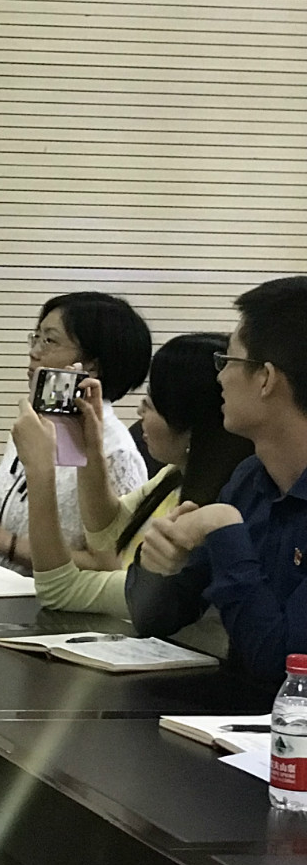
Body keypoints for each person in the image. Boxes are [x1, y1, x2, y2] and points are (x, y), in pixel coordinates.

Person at [128, 277, 307, 681]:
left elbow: (285, 668)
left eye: (228, 361)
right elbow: (153, 618)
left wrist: (223, 528)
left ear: (266, 378)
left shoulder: (236, 496)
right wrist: (158, 562)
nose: (220, 378)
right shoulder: (251, 478)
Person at [9, 334, 253, 618]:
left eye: (151, 402)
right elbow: (110, 533)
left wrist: (39, 471)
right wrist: (89, 446)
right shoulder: (176, 476)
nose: (139, 411)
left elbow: (59, 589)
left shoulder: (205, 518)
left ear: (191, 427)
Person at [0, 292, 151, 568]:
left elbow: (113, 565)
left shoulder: (116, 452)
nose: (34, 352)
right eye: (36, 337)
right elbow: (13, 515)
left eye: (49, 341)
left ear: (92, 365)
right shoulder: (36, 423)